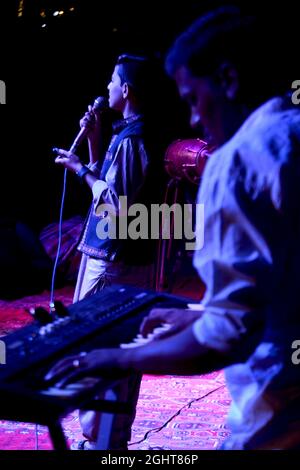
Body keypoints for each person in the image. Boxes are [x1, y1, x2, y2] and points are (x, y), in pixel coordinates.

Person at [46, 7, 300, 450]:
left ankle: (102, 443)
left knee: (104, 345)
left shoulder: (237, 162)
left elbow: (228, 336)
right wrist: (197, 314)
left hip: (276, 417)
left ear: (227, 79)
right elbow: (279, 299)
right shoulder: (290, 133)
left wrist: (119, 357)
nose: (195, 121)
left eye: (194, 99)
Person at [53, 54, 168, 450]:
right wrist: (93, 142)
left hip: (115, 264)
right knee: (99, 346)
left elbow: (117, 205)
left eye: (111, 81)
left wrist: (81, 172)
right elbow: (113, 181)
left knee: (108, 348)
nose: (106, 88)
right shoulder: (128, 135)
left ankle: (105, 443)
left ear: (127, 90)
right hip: (109, 258)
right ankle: (98, 438)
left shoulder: (137, 140)